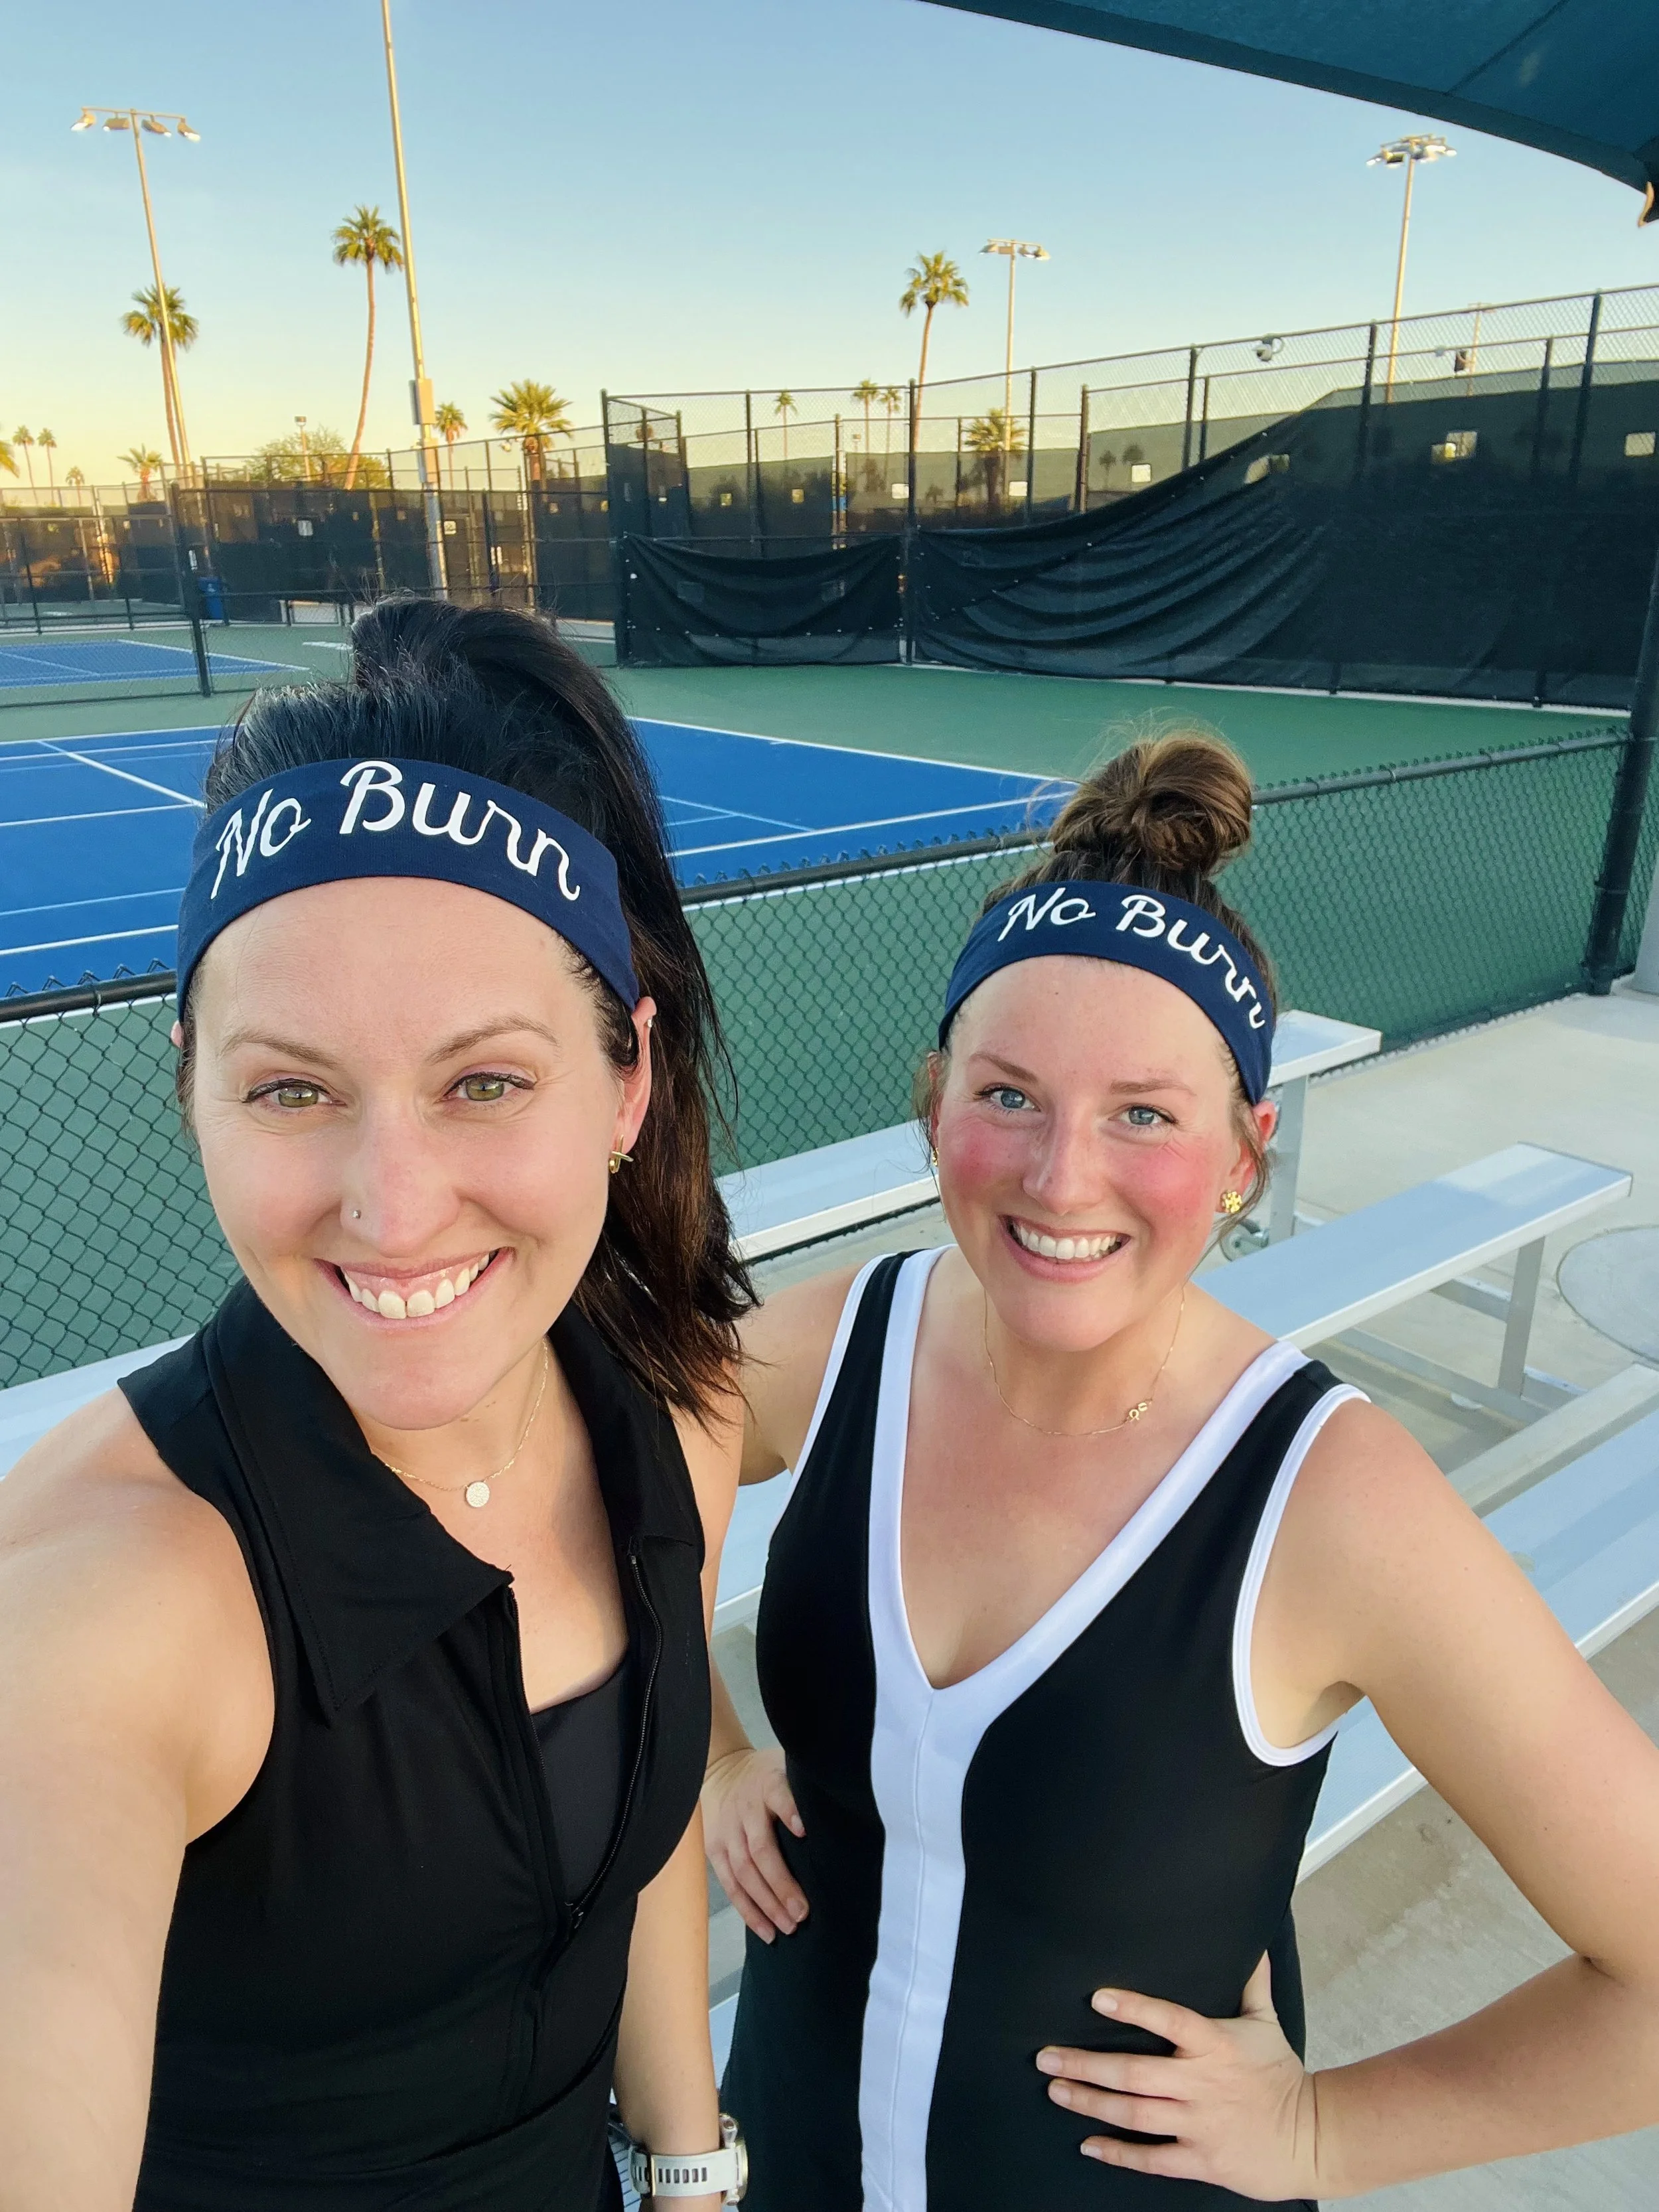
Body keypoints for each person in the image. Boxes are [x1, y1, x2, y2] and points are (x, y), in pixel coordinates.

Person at [704, 730, 1659, 2209]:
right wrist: (707, 1753)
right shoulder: (836, 1348)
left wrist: (1327, 2134)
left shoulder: (1325, 1504)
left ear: (1242, 1154)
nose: (1058, 1175)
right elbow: (617, 1477)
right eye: (1007, 1094)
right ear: (933, 1099)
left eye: (1142, 1114)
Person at [0, 601, 753, 2212]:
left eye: (484, 1081)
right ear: (189, 1080)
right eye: (292, 1089)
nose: (393, 1209)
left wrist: (691, 2173)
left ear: (626, 1078)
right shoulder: (95, 1610)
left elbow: (651, 1832)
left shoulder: (677, 1422)